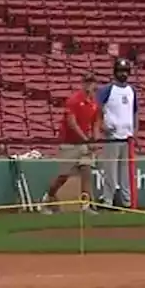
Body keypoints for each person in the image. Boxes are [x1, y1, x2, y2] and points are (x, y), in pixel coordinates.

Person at [40, 73, 101, 214]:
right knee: (63, 175)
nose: (89, 86)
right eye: (87, 82)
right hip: (70, 143)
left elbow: (96, 124)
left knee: (86, 170)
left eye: (92, 83)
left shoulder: (94, 103)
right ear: (83, 84)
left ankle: (85, 205)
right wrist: (86, 139)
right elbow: (71, 123)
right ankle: (49, 197)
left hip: (84, 143)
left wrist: (95, 141)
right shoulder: (73, 100)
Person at [97, 58, 139, 209]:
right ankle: (108, 200)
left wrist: (135, 132)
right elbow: (97, 108)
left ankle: (127, 202)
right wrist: (103, 125)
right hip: (112, 138)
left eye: (126, 72)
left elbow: (134, 112)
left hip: (127, 138)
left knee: (126, 173)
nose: (123, 74)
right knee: (110, 171)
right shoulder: (108, 90)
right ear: (115, 72)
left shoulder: (131, 90)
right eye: (120, 71)